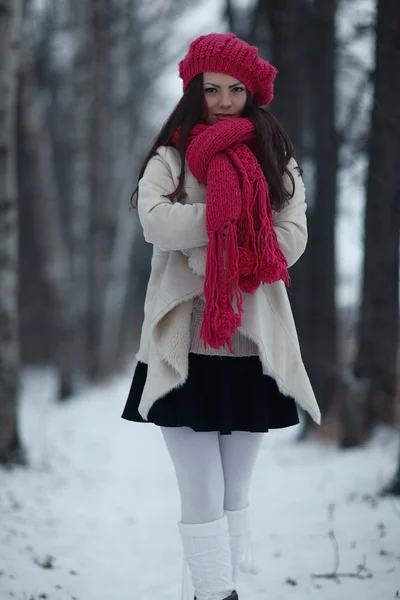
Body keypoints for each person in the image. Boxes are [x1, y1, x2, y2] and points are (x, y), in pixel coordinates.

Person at [122, 32, 321, 600]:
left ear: (253, 92)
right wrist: (233, 224)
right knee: (201, 491)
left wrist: (210, 236)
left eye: (236, 89)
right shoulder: (172, 155)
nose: (225, 100)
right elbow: (156, 223)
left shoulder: (276, 158)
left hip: (250, 346)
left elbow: (290, 240)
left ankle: (212, 590)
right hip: (181, 347)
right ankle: (217, 595)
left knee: (236, 492)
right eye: (212, 89)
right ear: (194, 89)